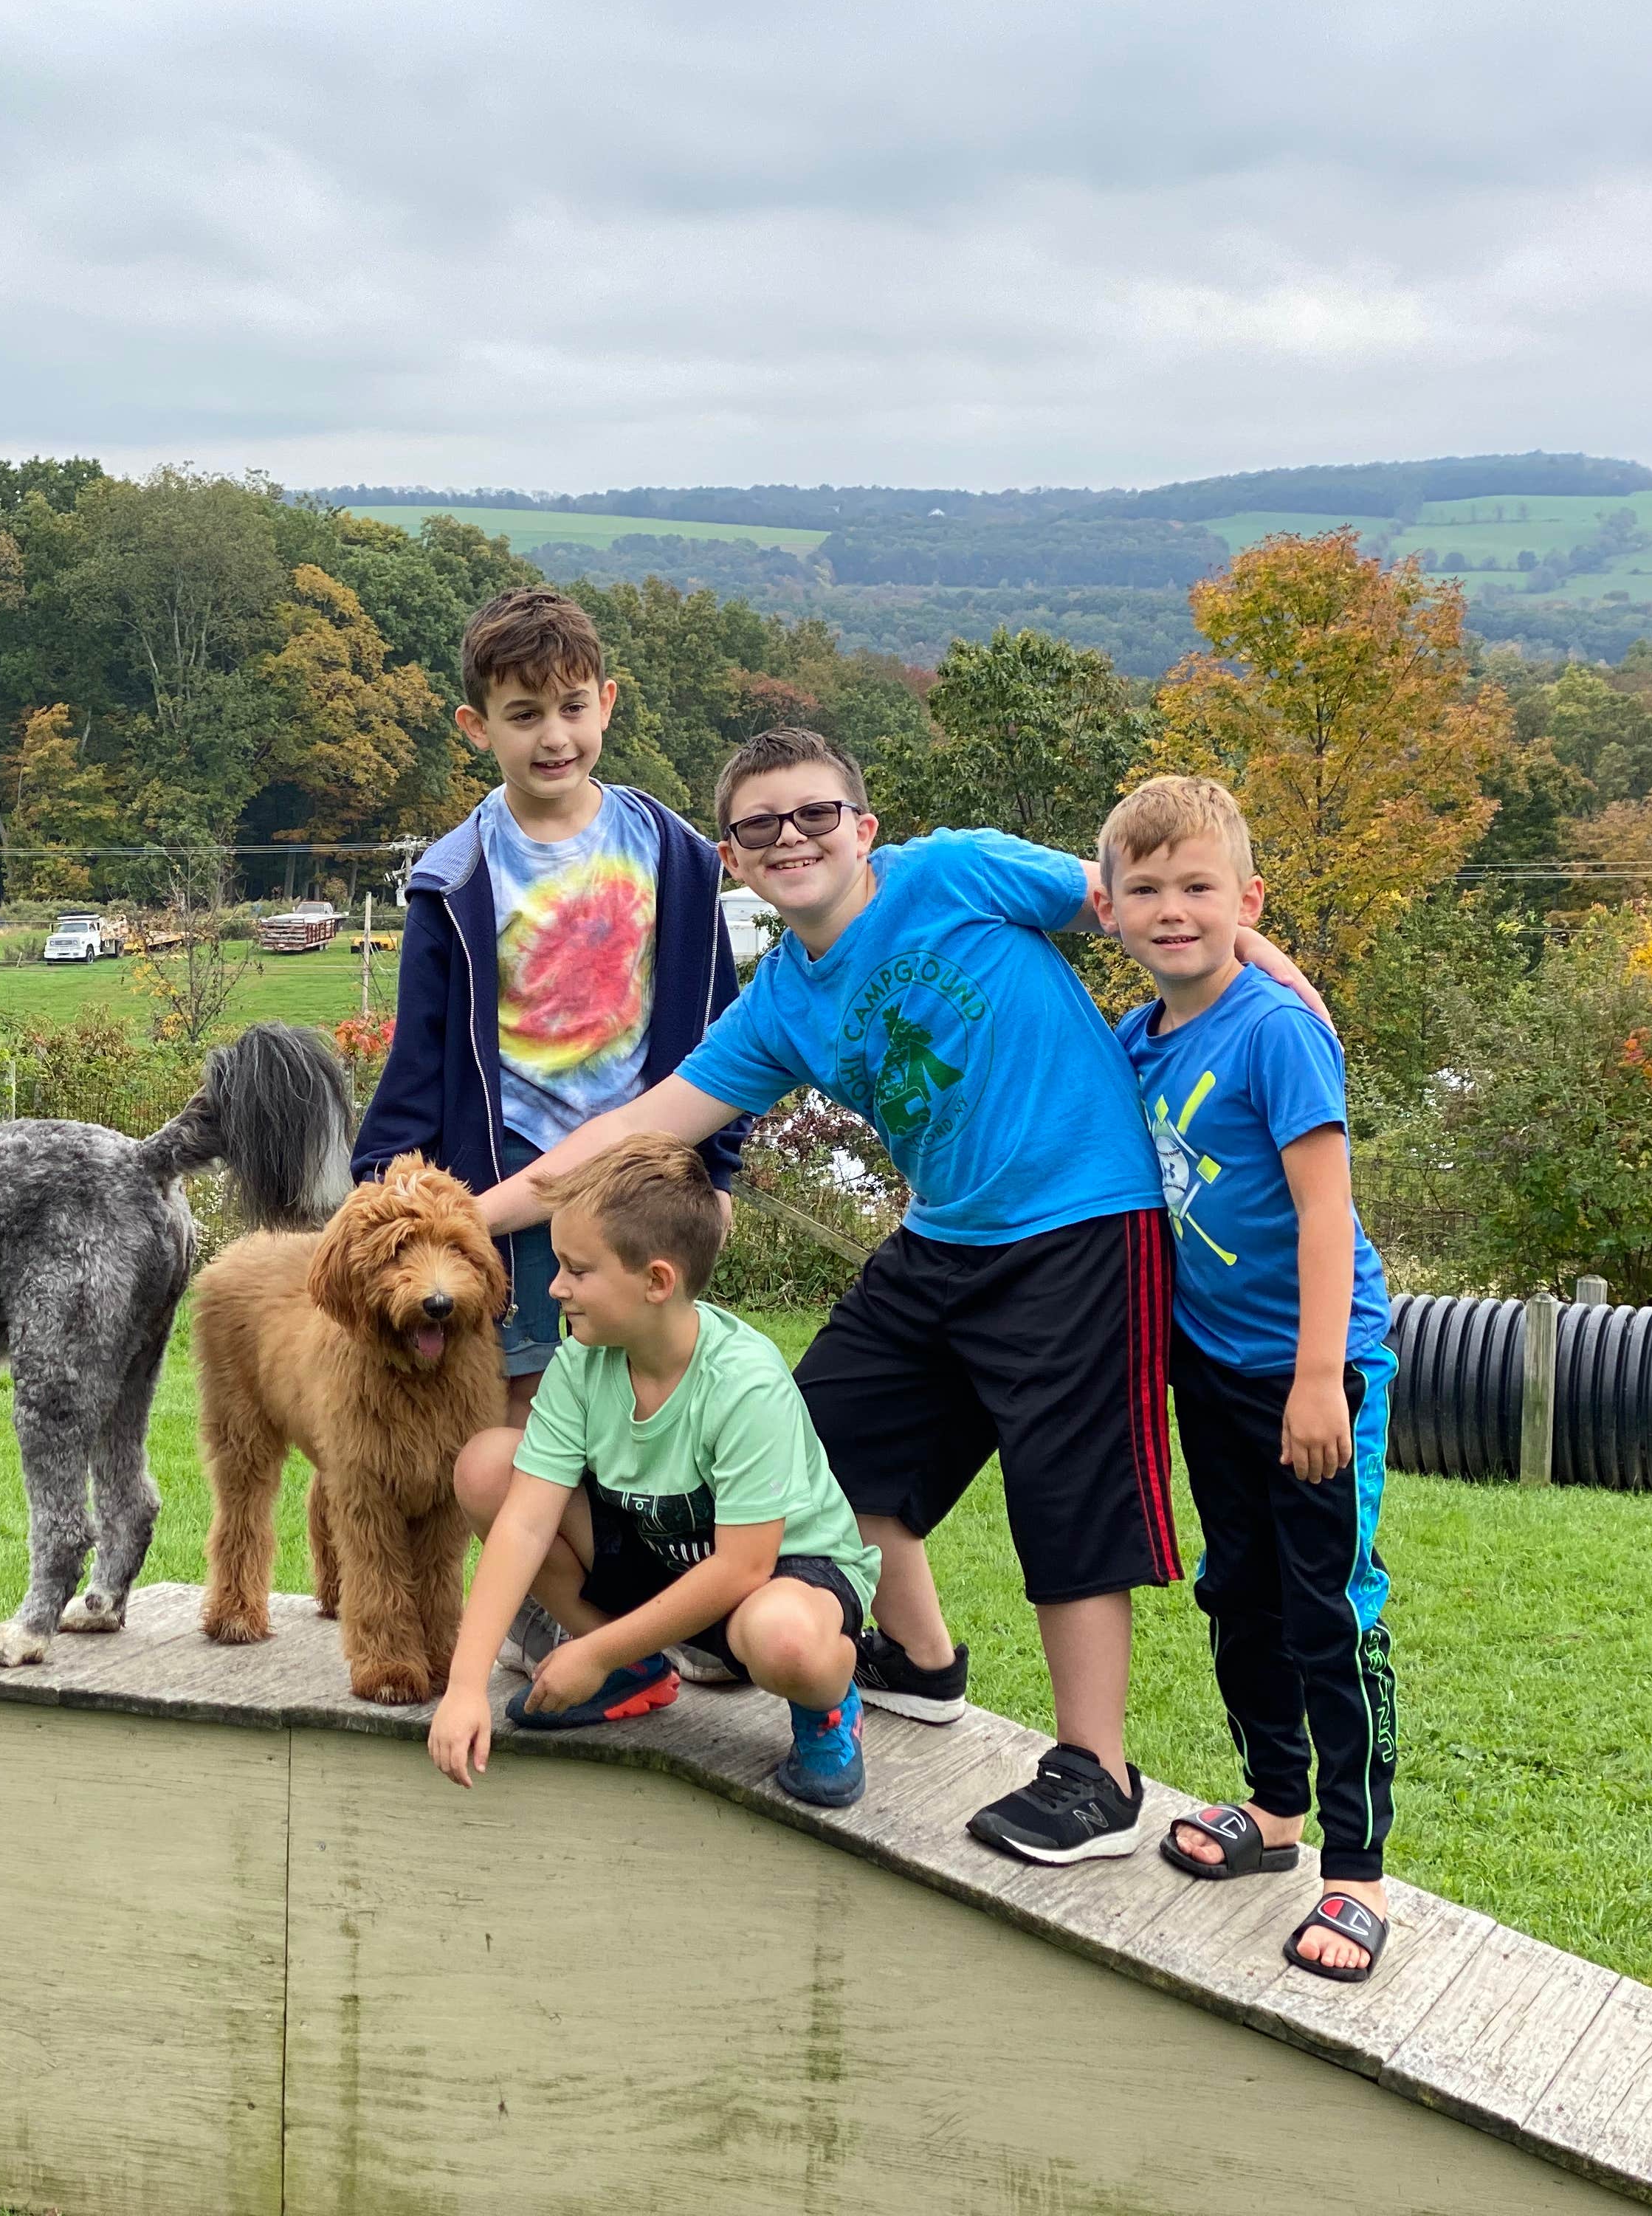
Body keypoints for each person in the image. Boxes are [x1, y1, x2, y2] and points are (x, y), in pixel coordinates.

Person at [476, 725, 1331, 1867]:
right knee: (818, 1436)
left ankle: (1098, 1774)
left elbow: (1134, 898)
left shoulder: (954, 871)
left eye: (817, 813)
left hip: (1084, 1226)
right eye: (760, 826)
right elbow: (636, 1130)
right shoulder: (781, 1003)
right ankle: (919, 1663)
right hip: (940, 1242)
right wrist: (460, 1221)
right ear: (734, 862)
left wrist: (1276, 971)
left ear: (864, 828)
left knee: (1066, 1497)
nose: (793, 837)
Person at [1092, 776, 1399, 1983]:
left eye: (1199, 887)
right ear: (1109, 909)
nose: (1173, 909)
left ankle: (1357, 1870)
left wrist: (1319, 1377)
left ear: (1246, 900)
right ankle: (1272, 1811)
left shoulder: (1273, 1028)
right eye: (1146, 889)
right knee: (1238, 1592)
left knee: (1328, 1612)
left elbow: (1326, 1212)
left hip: (1315, 1370)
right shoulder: (1136, 1040)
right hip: (1211, 1372)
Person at [353, 588, 746, 1425]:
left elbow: (727, 1032)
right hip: (515, 1181)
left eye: (572, 707)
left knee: (658, 1409)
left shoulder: (674, 854)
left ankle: (646, 1564)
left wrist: (718, 1174)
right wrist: (385, 1177)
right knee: (526, 1414)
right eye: (523, 714)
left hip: (647, 1177)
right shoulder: (453, 879)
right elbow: (419, 1052)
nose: (554, 737)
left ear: (606, 702)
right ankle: (548, 1560)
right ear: (477, 726)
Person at [427, 1136, 881, 1809]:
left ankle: (829, 1707)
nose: (555, 1288)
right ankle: (638, 1673)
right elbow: (525, 1523)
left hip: (777, 1575)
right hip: (658, 1552)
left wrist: (594, 1652)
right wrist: (466, 1686)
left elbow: (741, 1569)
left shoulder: (742, 1382)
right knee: (489, 1468)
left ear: (657, 1281)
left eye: (577, 1270)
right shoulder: (584, 1363)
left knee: (786, 1643)